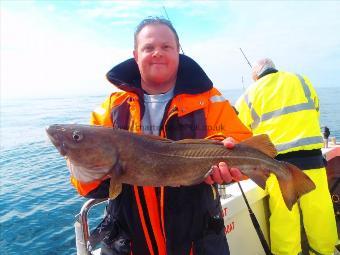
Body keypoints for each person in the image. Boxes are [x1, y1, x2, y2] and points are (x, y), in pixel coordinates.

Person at [70, 17, 252, 255]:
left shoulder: (210, 100)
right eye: (148, 47)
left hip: (197, 242)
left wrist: (231, 168)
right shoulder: (112, 108)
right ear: (136, 55)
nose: (157, 53)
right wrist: (84, 167)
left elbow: (241, 146)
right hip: (129, 244)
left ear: (178, 51)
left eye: (166, 46)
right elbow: (90, 188)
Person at [235, 58, 337, 255]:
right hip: (313, 161)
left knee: (285, 220)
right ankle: (325, 251)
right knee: (319, 214)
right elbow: (315, 109)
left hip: (278, 167)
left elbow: (240, 132)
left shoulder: (250, 94)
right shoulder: (302, 80)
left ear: (255, 76)